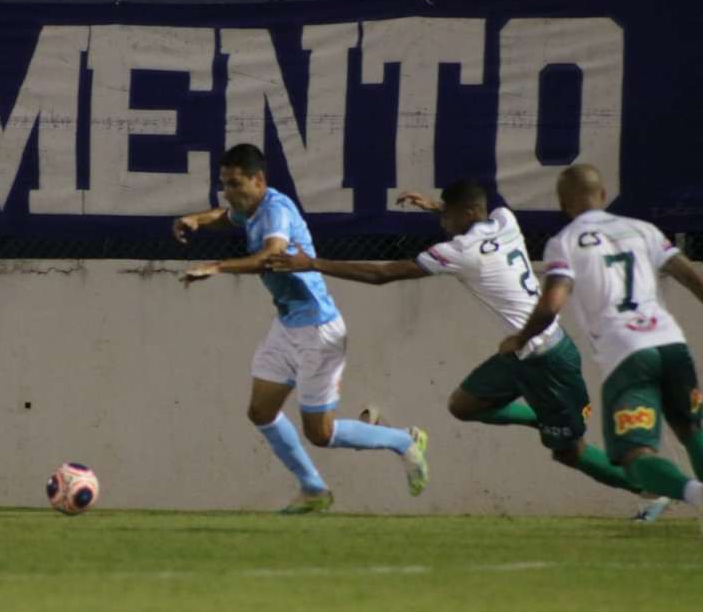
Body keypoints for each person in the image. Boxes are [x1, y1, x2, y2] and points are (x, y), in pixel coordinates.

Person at [268, 178, 671, 521]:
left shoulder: (460, 252)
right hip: (521, 355)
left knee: (570, 452)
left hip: (549, 361)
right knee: (463, 405)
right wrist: (436, 207)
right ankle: (540, 417)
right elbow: (476, 216)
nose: (442, 223)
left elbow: (383, 274)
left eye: (447, 215)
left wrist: (314, 263)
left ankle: (650, 490)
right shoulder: (505, 219)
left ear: (467, 213)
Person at [176, 143, 428, 514]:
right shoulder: (251, 208)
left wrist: (216, 267)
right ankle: (313, 489)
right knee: (261, 412)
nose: (228, 192)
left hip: (317, 330)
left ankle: (403, 440)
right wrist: (197, 220)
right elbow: (228, 217)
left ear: (258, 180)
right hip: (287, 326)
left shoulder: (276, 210)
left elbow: (272, 256)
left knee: (320, 434)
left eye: (235, 184)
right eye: (224, 184)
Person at [502, 164, 703, 512]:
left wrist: (519, 339)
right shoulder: (643, 230)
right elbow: (691, 277)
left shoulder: (564, 243)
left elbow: (551, 304)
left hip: (628, 354)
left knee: (634, 456)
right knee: (691, 429)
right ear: (604, 194)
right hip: (671, 345)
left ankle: (694, 493)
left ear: (563, 204)